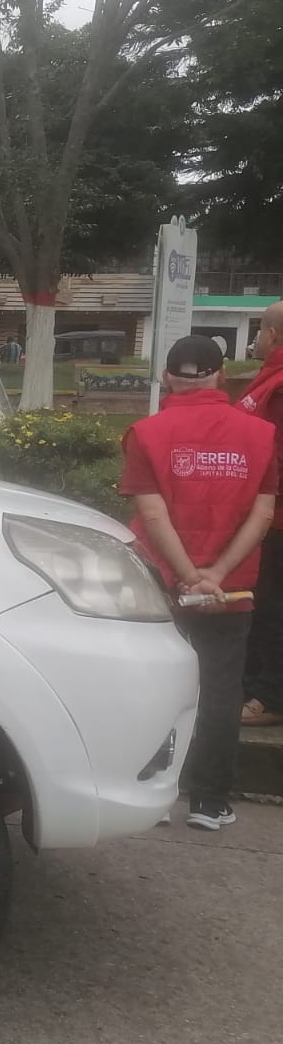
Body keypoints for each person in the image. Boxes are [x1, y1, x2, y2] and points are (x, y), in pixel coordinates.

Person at [119, 335, 276, 830]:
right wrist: (216, 576)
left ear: (166, 377)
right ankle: (209, 802)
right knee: (221, 690)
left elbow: (152, 513)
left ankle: (154, 793)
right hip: (232, 590)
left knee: (155, 684)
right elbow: (263, 514)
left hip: (160, 584)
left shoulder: (145, 433)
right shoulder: (262, 434)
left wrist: (187, 576)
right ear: (221, 376)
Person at [237, 301, 283, 726]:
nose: (256, 338)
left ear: (272, 335)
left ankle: (271, 697)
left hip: (276, 517)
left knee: (272, 607)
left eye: (259, 330)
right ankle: (254, 684)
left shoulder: (280, 385)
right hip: (263, 513)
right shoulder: (269, 379)